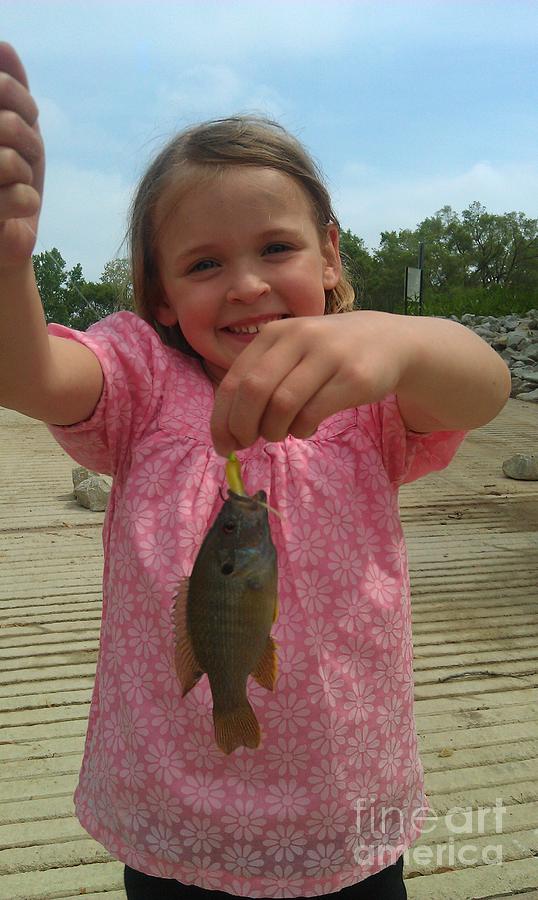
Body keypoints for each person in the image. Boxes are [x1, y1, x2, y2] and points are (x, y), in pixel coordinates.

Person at [0, 42, 511, 900]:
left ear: (331, 257)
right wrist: (8, 263)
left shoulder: (372, 390)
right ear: (159, 294)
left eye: (276, 248)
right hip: (174, 815)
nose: (245, 285)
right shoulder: (138, 379)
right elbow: (29, 375)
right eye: (203, 264)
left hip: (345, 811)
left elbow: (487, 389)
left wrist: (402, 339)